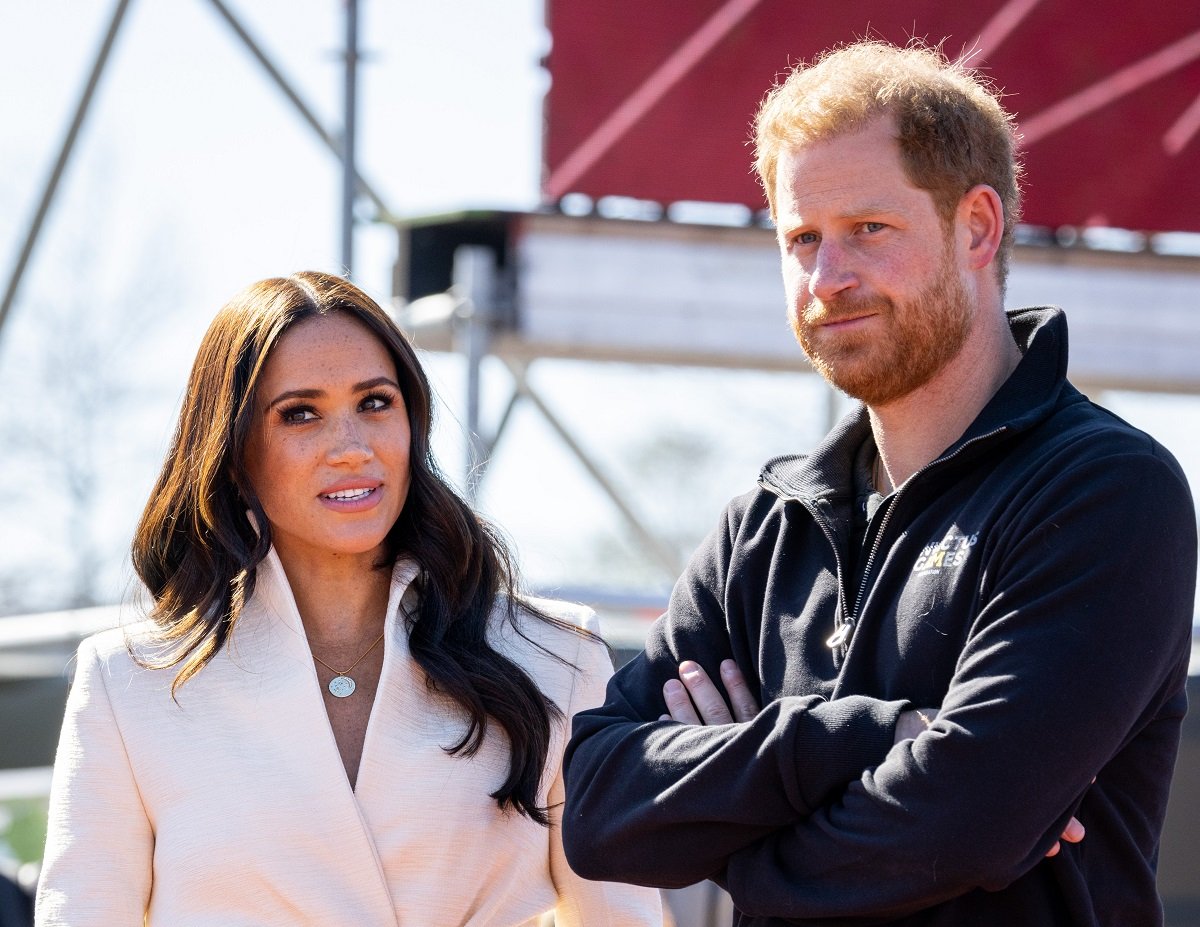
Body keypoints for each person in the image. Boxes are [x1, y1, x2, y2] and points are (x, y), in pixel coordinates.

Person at [562, 40, 1197, 926]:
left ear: (977, 227)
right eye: (802, 239)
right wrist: (855, 739)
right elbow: (596, 812)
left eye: (868, 229)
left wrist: (734, 837)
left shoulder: (1106, 490)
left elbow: (963, 827)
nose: (828, 279)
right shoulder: (763, 528)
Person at [36, 271, 662, 925]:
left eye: (374, 402)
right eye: (301, 413)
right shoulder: (129, 683)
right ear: (235, 449)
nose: (353, 448)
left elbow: (621, 916)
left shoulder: (556, 657)